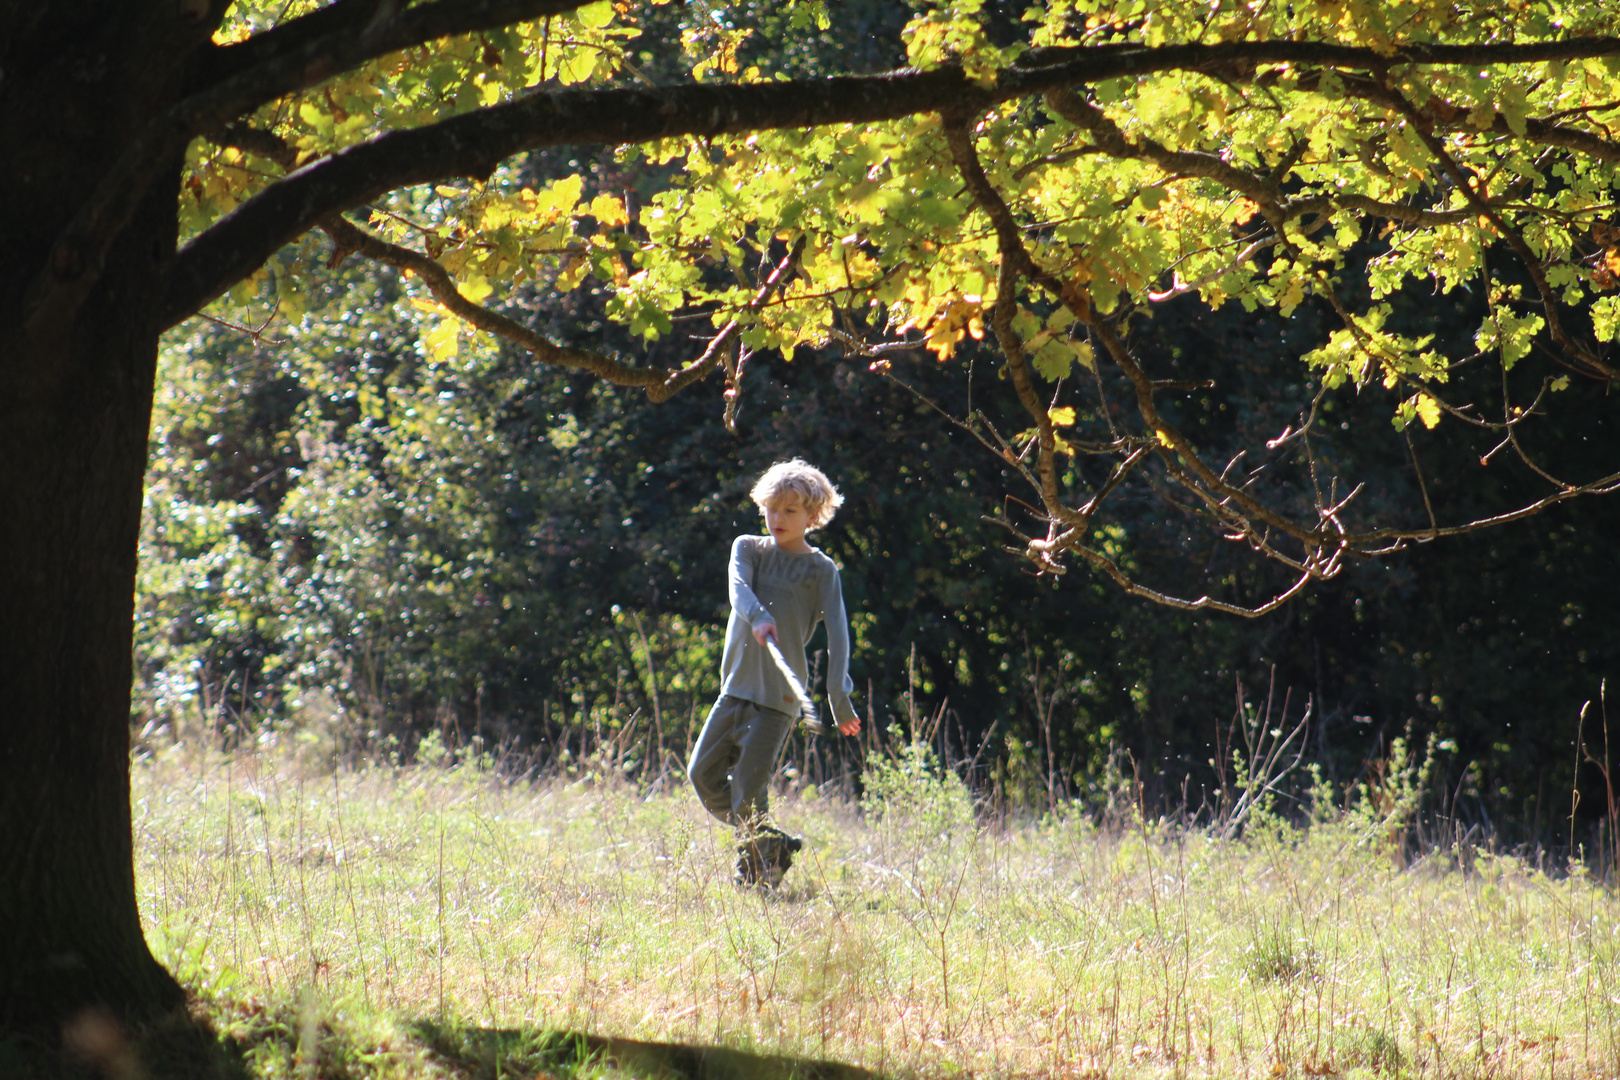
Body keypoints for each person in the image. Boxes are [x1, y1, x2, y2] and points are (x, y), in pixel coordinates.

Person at [688, 459, 862, 888]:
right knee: (702, 776)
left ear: (812, 516)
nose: (778, 519)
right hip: (735, 689)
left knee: (748, 790)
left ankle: (755, 880)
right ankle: (770, 843)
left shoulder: (822, 571)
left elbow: (840, 637)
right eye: (772, 508)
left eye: (790, 511)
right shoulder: (747, 548)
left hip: (779, 701)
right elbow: (737, 589)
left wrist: (839, 698)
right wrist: (758, 616)